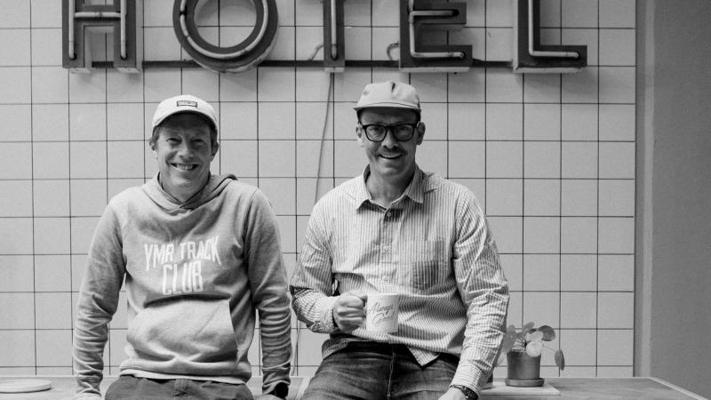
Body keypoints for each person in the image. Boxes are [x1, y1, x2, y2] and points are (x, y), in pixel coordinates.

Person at [290, 81, 509, 400]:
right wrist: (332, 310)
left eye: (401, 129)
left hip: (433, 360)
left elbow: (487, 298)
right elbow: (304, 293)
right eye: (376, 129)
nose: (389, 142)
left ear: (419, 133)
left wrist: (464, 385)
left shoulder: (457, 204)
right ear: (360, 134)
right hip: (351, 358)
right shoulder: (331, 207)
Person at [73, 94, 291, 400]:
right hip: (142, 379)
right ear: (154, 144)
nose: (185, 152)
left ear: (214, 149)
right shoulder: (124, 210)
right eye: (173, 140)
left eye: (197, 141)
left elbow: (273, 300)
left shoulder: (247, 205)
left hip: (221, 382)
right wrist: (86, 390)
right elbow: (94, 304)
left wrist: (275, 389)